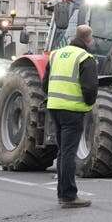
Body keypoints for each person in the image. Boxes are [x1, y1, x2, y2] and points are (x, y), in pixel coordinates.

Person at [45, 25, 98, 208]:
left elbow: (45, 83)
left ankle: (62, 193)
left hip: (54, 107)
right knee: (68, 152)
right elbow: (90, 88)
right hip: (73, 110)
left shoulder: (56, 54)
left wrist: (54, 99)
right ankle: (68, 196)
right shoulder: (85, 58)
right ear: (88, 39)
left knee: (62, 151)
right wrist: (89, 105)